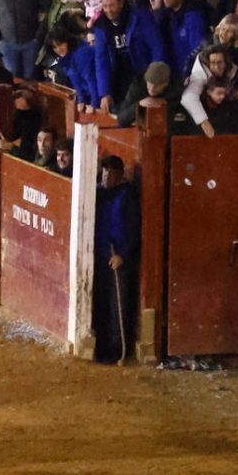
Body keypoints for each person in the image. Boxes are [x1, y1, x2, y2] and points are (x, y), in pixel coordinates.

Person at [92, 154, 139, 364]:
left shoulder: (127, 196)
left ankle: (117, 348)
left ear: (120, 175)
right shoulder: (98, 192)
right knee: (101, 302)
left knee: (117, 305)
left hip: (117, 257)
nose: (106, 176)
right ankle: (103, 346)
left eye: (110, 172)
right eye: (104, 171)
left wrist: (123, 254)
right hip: (100, 254)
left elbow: (134, 229)